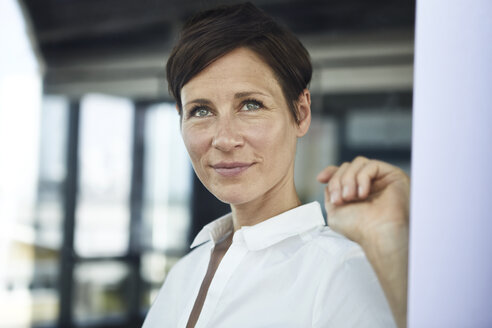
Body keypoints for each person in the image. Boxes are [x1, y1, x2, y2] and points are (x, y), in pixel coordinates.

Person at [143, 2, 409, 328]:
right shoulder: (184, 273)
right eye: (201, 110)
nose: (225, 139)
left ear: (301, 113)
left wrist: (392, 252)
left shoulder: (338, 269)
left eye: (250, 105)